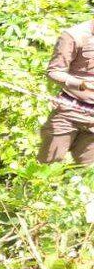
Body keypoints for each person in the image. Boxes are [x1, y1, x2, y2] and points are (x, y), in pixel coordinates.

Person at [38, 17, 94, 165]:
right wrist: (81, 84)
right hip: (68, 111)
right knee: (47, 167)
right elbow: (54, 71)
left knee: (88, 174)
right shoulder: (74, 35)